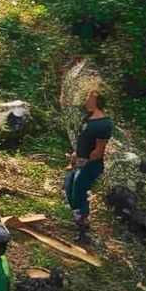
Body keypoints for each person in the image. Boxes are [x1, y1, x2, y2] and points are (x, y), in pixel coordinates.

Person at [65, 87, 111, 237]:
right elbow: (83, 139)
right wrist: (75, 154)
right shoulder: (88, 118)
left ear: (96, 102)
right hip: (80, 161)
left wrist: (83, 161)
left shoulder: (103, 124)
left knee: (78, 190)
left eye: (89, 99)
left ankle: (83, 224)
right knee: (68, 185)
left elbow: (98, 152)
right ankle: (78, 217)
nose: (86, 101)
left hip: (91, 165)